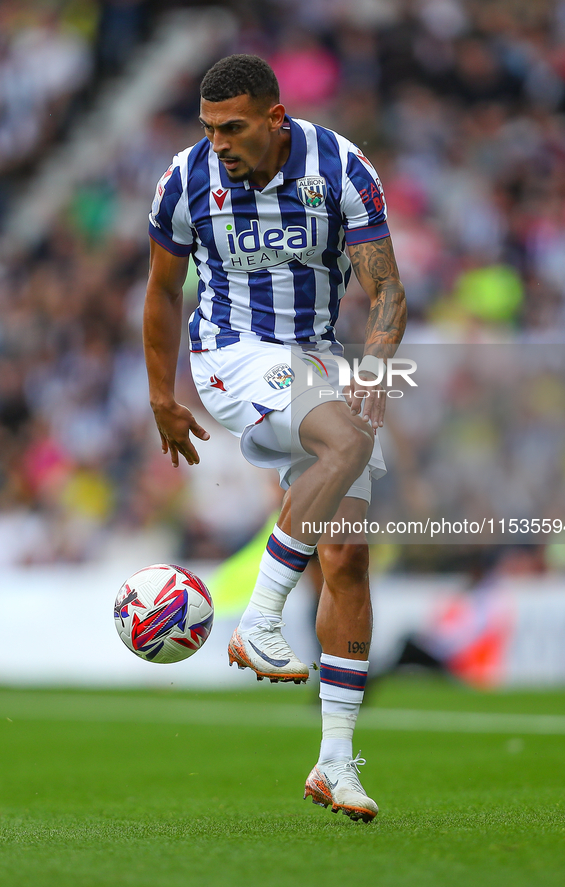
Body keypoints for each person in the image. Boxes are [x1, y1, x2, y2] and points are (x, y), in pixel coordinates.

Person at [144, 54, 406, 822]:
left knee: (348, 559)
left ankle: (334, 762)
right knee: (346, 443)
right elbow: (162, 292)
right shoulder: (186, 179)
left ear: (273, 119)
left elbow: (385, 287)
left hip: (317, 359)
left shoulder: (341, 167)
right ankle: (257, 619)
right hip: (231, 351)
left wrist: (376, 367)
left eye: (231, 127)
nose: (217, 142)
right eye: (208, 128)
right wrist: (161, 394)